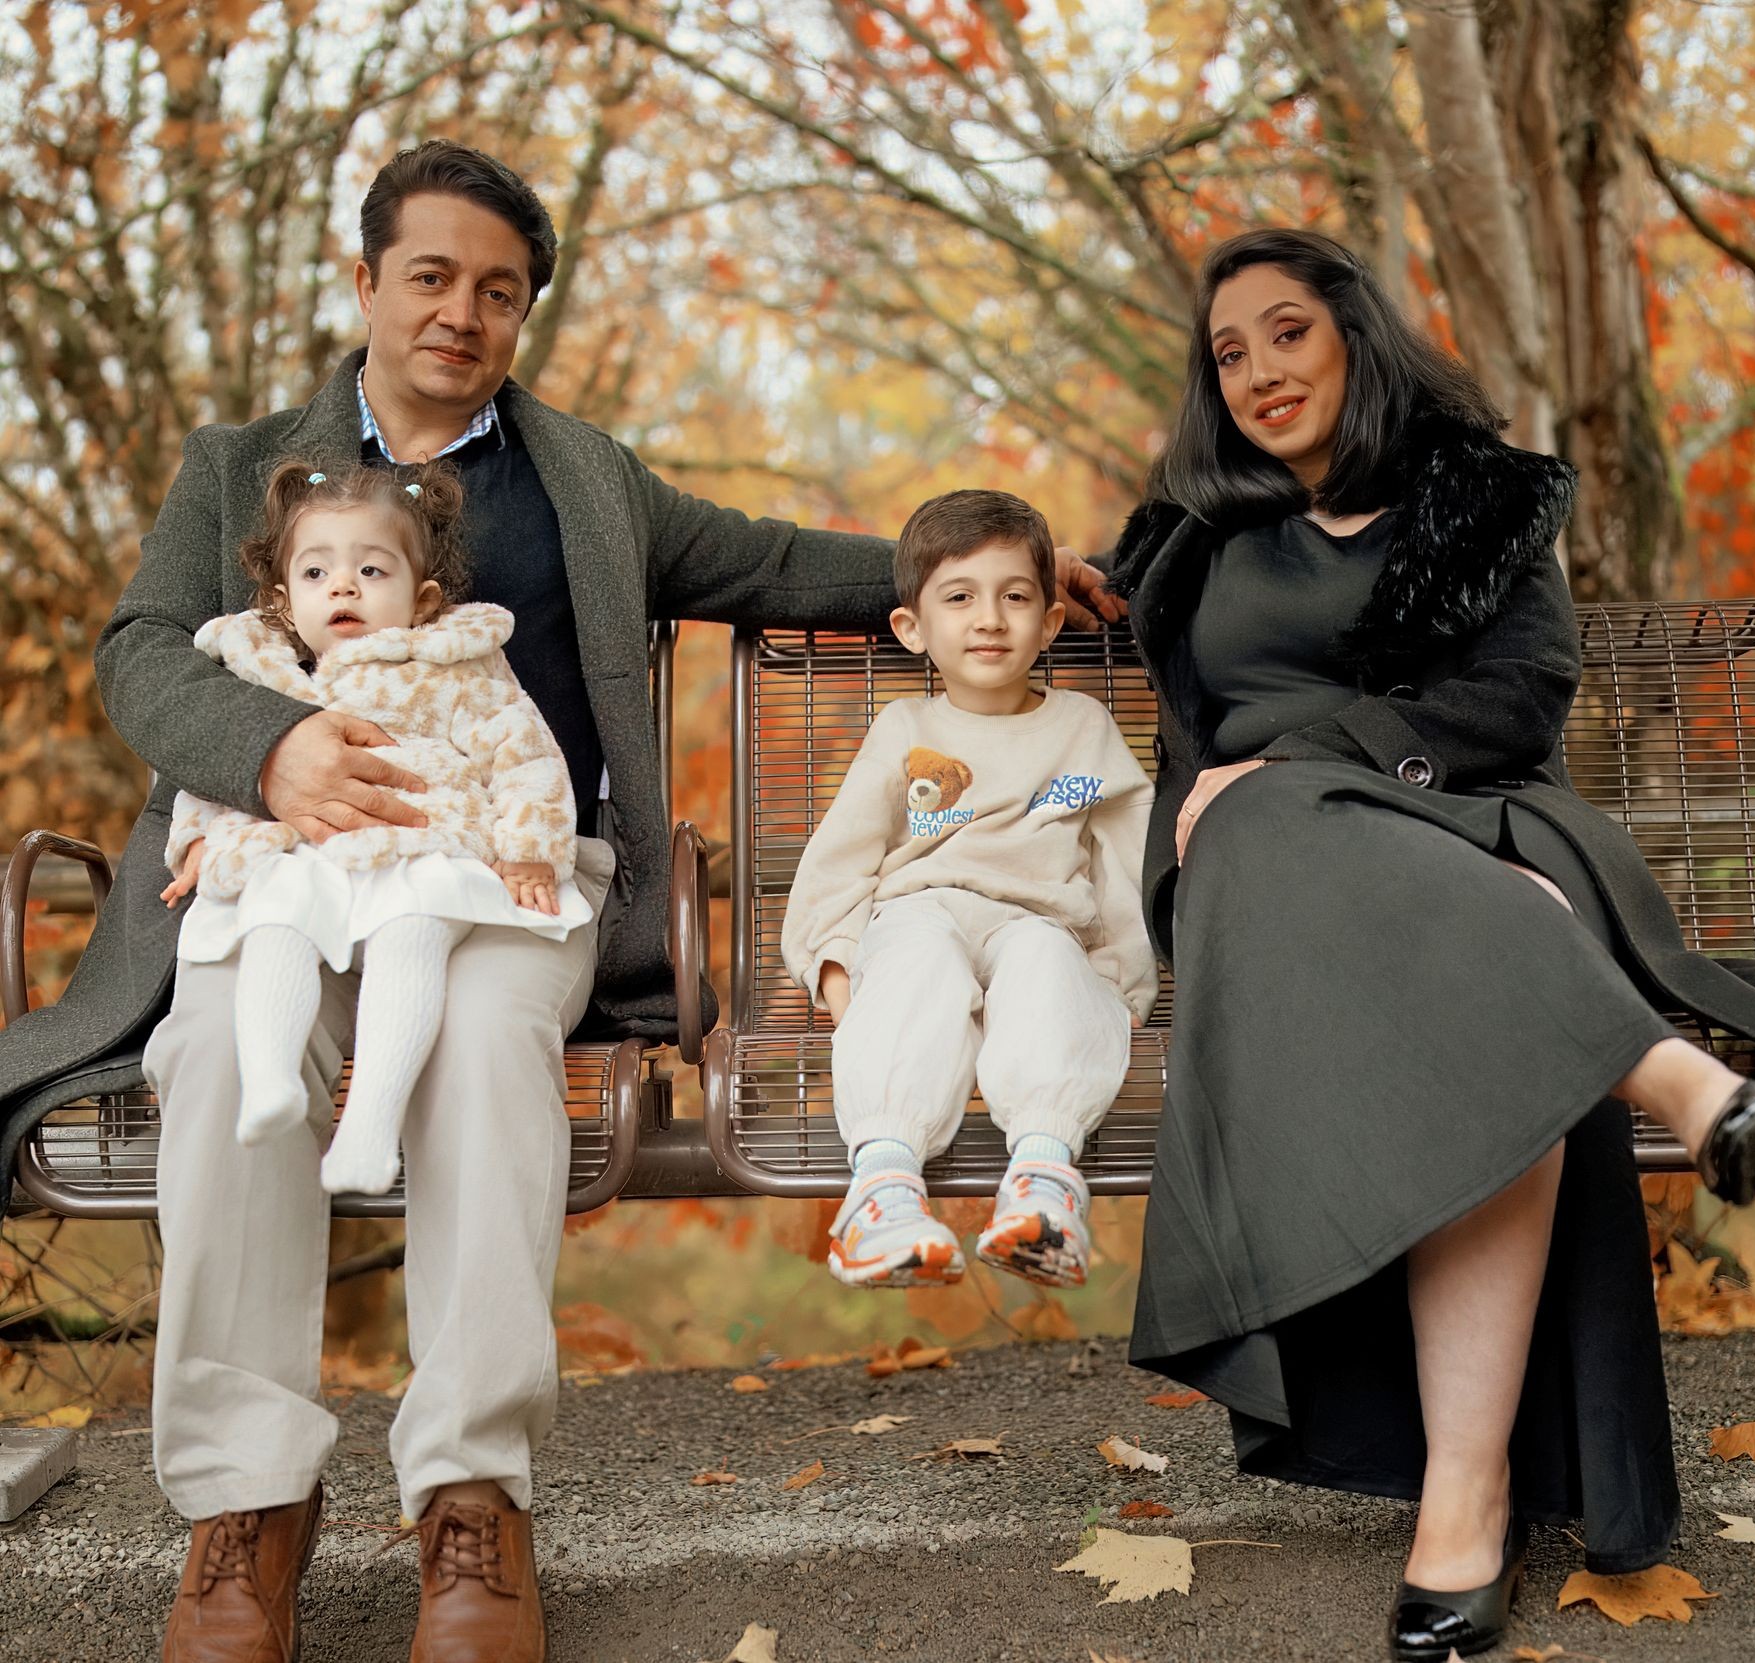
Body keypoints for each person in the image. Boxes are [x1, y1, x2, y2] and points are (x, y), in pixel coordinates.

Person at [0, 138, 1116, 1663]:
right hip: (288, 876)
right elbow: (140, 650)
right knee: (211, 1059)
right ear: (369, 280)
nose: (462, 311)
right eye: (433, 276)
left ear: (522, 311)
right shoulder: (239, 465)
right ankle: (246, 1505)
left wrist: (1021, 571)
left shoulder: (584, 481)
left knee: (479, 1046)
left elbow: (780, 560)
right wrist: (272, 746)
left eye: (498, 290)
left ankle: (471, 1493)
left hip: (511, 886)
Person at [1108, 228, 1755, 1661]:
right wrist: (905, 581)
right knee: (1268, 827)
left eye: (1287, 331)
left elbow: (1521, 694)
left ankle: (1466, 1491)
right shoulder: (1192, 534)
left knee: (1428, 925)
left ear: (1353, 333)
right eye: (1229, 353)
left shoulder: (1483, 499)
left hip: (1471, 831)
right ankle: (1678, 1080)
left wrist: (1305, 759)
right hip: (1269, 891)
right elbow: (979, 577)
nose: (1260, 369)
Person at [161, 459, 591, 1197]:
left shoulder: (453, 666)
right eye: (317, 573)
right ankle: (271, 1081)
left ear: (421, 600)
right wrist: (199, 839)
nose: (344, 587)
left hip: (423, 840)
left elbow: (525, 756)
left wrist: (529, 852)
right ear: (283, 598)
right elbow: (221, 765)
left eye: (371, 570)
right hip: (308, 851)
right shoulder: (263, 671)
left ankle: (369, 1125)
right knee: (273, 916)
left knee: (412, 929)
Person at [781, 490, 1156, 1290]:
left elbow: (1121, 852)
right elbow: (843, 856)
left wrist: (1123, 974)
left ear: (1050, 622)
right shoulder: (906, 731)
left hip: (1037, 915)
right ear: (914, 630)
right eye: (960, 597)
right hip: (923, 908)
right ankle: (882, 1192)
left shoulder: (1080, 730)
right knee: (915, 965)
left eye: (1015, 596)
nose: (989, 618)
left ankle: (1044, 1185)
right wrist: (835, 963)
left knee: (1052, 966)